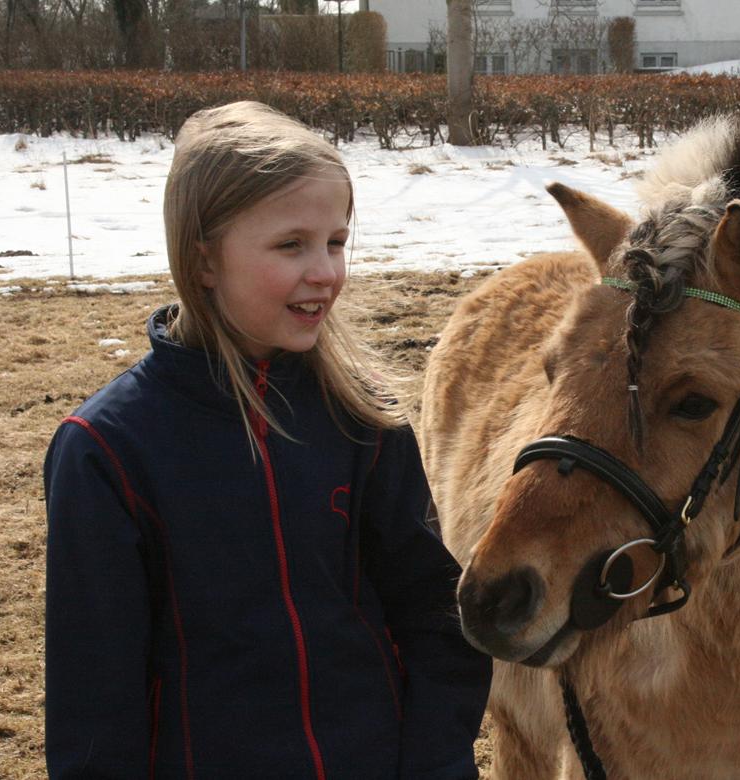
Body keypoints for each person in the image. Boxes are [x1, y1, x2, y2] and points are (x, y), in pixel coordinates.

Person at [43, 101, 491, 779]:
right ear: (204, 261)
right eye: (292, 245)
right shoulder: (106, 452)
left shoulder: (361, 414)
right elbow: (96, 706)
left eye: (336, 241)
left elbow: (434, 619)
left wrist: (435, 763)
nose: (326, 271)